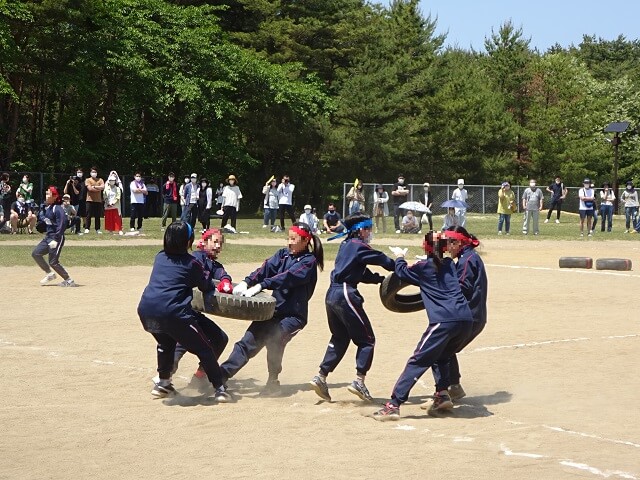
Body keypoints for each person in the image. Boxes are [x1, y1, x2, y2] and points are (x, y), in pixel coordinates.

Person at [372, 231, 474, 421]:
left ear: (424, 246)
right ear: (444, 248)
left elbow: (401, 272)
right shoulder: (450, 264)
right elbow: (436, 266)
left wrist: (400, 257)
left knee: (417, 360)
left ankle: (393, 405)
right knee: (442, 355)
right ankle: (442, 394)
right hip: (465, 320)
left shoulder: (423, 267)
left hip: (444, 321)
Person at [221, 222, 323, 395]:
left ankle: (273, 381)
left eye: (294, 239)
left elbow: (287, 277)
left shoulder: (309, 262)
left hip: (293, 316)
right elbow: (265, 268)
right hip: (273, 312)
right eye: (288, 238)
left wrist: (262, 285)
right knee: (247, 342)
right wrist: (248, 281)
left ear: (306, 241)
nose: (289, 243)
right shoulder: (283, 255)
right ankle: (221, 375)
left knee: (275, 339)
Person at [137, 222, 230, 402]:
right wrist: (218, 283)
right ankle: (220, 388)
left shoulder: (160, 257)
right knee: (205, 348)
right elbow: (205, 286)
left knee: (166, 344)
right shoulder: (192, 263)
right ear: (189, 241)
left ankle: (163, 383)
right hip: (174, 313)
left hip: (146, 311)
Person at [309, 213, 395, 403]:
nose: (370, 233)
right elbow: (380, 258)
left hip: (332, 294)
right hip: (346, 294)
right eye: (368, 229)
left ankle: (321, 377)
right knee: (367, 340)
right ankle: (359, 381)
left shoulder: (346, 245)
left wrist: (379, 280)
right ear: (360, 229)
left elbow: (360, 271)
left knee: (340, 337)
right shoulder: (359, 246)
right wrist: (399, 266)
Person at [428, 226, 487, 409]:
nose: (446, 248)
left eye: (448, 244)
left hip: (469, 317)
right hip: (473, 316)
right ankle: (453, 387)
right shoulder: (467, 257)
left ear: (458, 242)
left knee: (437, 350)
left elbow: (461, 288)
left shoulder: (466, 261)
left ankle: (443, 393)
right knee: (446, 349)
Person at [171, 228, 232, 380]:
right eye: (215, 241)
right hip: (183, 308)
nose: (218, 246)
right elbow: (199, 274)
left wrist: (225, 282)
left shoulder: (216, 265)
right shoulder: (197, 257)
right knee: (185, 340)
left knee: (220, 339)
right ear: (204, 242)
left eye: (221, 243)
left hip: (195, 313)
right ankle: (164, 376)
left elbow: (222, 274)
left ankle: (201, 374)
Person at [33, 186, 76, 287]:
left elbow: (63, 223)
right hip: (48, 237)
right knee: (36, 253)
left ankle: (69, 280)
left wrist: (56, 239)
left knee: (53, 262)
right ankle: (49, 273)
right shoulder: (49, 207)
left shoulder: (57, 208)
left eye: (49, 194)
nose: (46, 195)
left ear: (55, 196)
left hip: (57, 237)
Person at [84, 167, 104, 234]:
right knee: (88, 215)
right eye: (92, 172)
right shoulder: (88, 180)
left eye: (95, 172)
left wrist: (94, 187)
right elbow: (89, 189)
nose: (94, 173)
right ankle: (87, 228)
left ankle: (97, 229)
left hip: (98, 200)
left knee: (97, 215)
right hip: (89, 200)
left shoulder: (100, 180)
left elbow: (103, 187)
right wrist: (98, 189)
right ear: (90, 173)